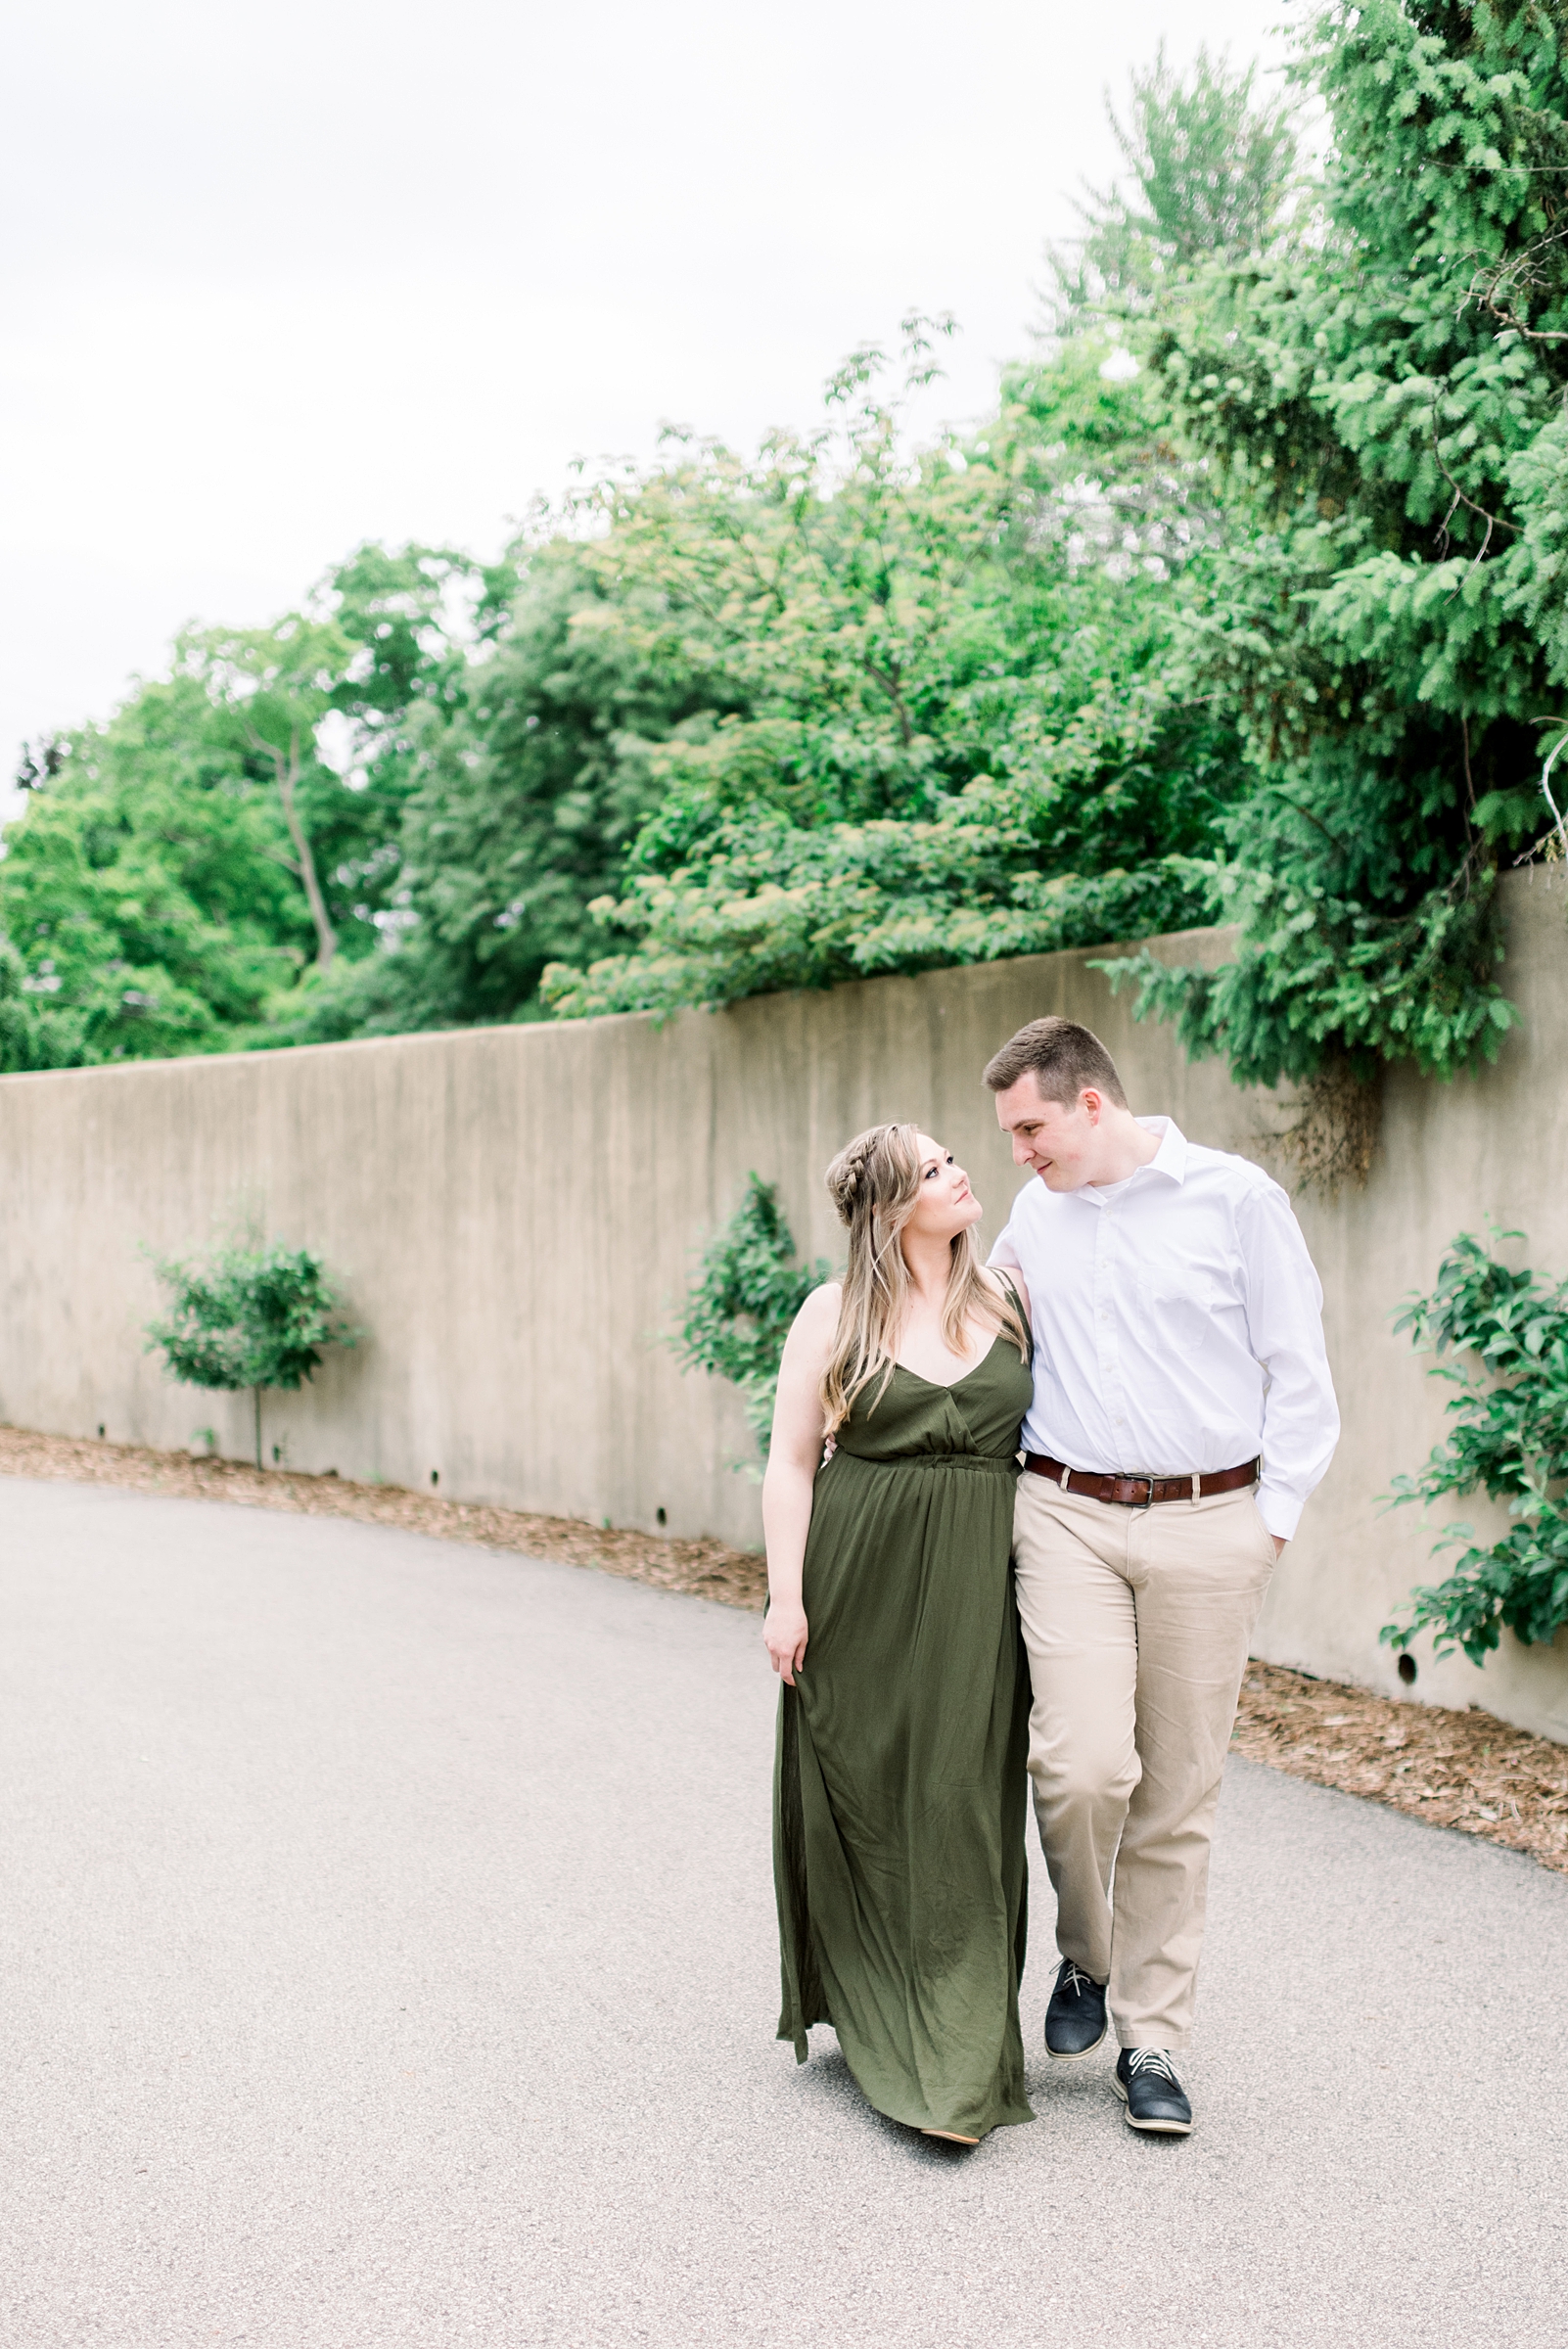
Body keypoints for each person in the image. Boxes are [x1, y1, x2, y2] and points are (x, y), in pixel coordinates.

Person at [985, 1017, 1339, 2137]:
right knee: (1081, 1768)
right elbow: (963, 1323)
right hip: (1065, 1516)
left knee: (1178, 1792)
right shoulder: (1034, 1215)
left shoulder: (1234, 1200)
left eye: (1029, 1126)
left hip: (1210, 1523)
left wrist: (1266, 1525)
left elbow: (1300, 1370)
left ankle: (1154, 2040)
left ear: (1091, 1103)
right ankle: (1085, 1957)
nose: (1017, 1152)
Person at [763, 1123, 1037, 2145]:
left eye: (952, 1157)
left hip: (981, 1582)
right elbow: (792, 1462)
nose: (961, 1173)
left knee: (960, 1799)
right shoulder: (833, 1313)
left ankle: (960, 2056)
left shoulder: (1007, 1298)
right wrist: (786, 1600)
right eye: (933, 1170)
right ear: (889, 1209)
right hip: (860, 1578)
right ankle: (881, 2010)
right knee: (873, 1790)